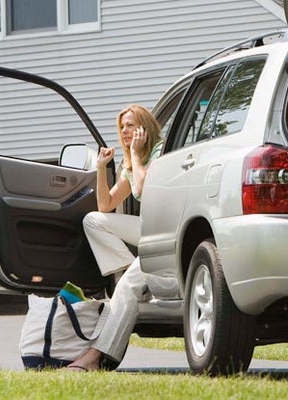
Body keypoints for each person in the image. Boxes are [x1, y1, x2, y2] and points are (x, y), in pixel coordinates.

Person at [65, 104, 163, 371]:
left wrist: (135, 154)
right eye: (122, 127)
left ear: (144, 126)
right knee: (92, 220)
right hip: (148, 226)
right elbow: (105, 205)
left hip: (165, 228)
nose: (125, 131)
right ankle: (124, 268)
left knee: (126, 290)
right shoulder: (132, 162)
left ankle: (93, 359)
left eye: (130, 125)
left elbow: (143, 187)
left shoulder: (160, 151)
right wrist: (100, 167)